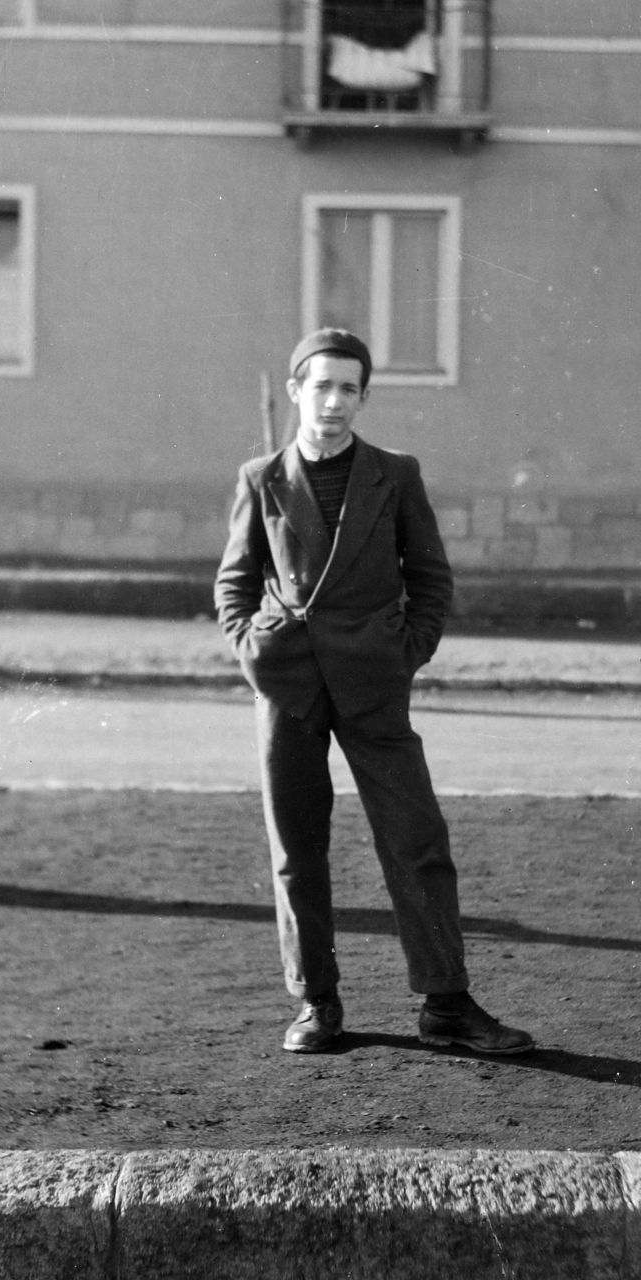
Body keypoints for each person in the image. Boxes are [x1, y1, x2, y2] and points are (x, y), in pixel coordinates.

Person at [215, 328, 534, 1055]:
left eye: (348, 388)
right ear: (295, 389)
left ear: (363, 397)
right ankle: (315, 1003)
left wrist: (406, 653)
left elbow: (430, 578)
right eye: (320, 385)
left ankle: (445, 1003)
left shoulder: (394, 473)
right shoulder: (260, 477)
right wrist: (251, 646)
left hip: (372, 682)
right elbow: (234, 578)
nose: (333, 402)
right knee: (295, 846)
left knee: (416, 838)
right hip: (289, 683)